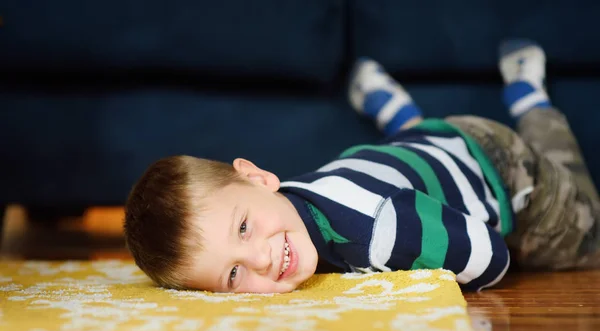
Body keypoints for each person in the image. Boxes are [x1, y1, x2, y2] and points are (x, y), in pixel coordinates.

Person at [123, 39, 600, 293]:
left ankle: (528, 98)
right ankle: (398, 115)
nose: (261, 261)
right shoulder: (287, 202)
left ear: (256, 176)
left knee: (587, 228)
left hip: (497, 163)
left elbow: (490, 256)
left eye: (244, 228)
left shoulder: (380, 231)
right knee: (402, 173)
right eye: (233, 275)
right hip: (425, 149)